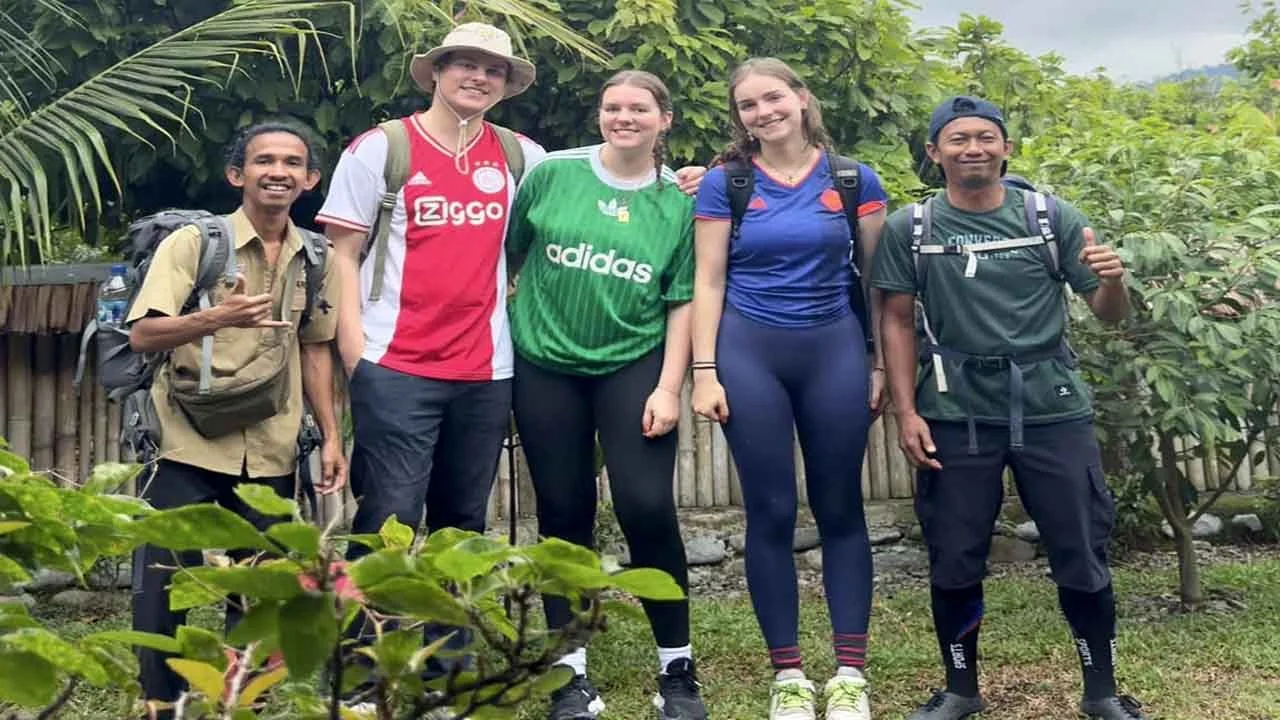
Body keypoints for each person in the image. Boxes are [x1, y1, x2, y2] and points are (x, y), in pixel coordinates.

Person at [872, 95, 1148, 720]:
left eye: (986, 137)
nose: (973, 148)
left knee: (1080, 548)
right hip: (954, 410)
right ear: (934, 152)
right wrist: (907, 413)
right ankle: (960, 689)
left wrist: (1111, 280)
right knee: (955, 552)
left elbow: (1110, 315)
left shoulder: (1051, 218)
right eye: (958, 138)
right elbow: (894, 320)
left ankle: (1101, 690)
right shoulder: (910, 228)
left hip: (1052, 409)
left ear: (1006, 148)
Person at [505, 70, 707, 720]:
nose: (624, 117)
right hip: (546, 364)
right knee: (562, 513)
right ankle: (569, 675)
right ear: (600, 115)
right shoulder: (552, 175)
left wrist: (670, 387)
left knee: (646, 506)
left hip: (635, 363)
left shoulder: (679, 201)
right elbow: (509, 258)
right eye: (613, 106)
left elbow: (682, 301)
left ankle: (677, 670)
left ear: (663, 120)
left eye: (639, 108)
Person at [690, 57, 888, 720]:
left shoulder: (854, 177)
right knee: (770, 514)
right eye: (748, 105)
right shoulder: (726, 184)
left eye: (773, 98)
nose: (763, 112)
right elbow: (708, 281)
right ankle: (790, 678)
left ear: (802, 99)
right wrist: (704, 370)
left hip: (834, 350)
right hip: (749, 354)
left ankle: (850, 675)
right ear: (739, 117)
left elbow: (877, 286)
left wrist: (882, 366)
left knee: (840, 511)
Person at [127, 122, 345, 719]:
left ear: (310, 179)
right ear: (237, 174)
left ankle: (239, 702)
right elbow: (144, 332)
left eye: (292, 162)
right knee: (163, 583)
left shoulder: (316, 256)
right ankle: (160, 703)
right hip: (185, 440)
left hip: (272, 445)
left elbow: (316, 349)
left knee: (264, 587)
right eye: (263, 160)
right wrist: (214, 319)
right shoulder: (198, 243)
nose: (278, 171)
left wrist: (329, 437)